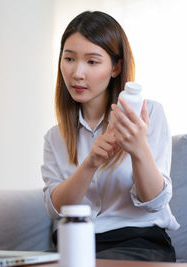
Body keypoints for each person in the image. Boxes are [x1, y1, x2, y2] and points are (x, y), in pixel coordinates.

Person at [41, 11, 179, 262]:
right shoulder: (55, 137)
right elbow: (57, 210)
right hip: (75, 243)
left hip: (138, 242)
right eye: (69, 59)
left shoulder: (149, 115)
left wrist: (138, 149)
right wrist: (91, 163)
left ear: (115, 67)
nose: (77, 73)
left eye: (92, 62)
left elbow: (154, 202)